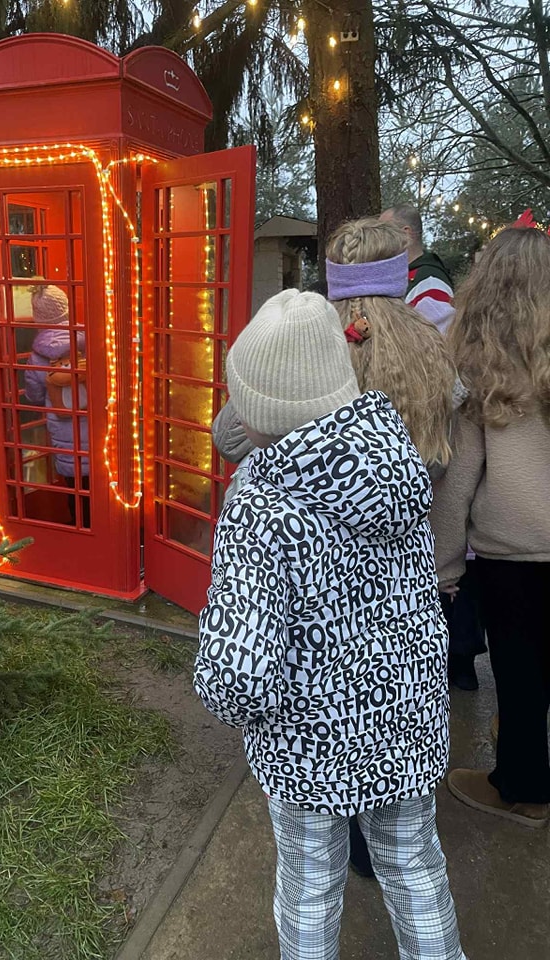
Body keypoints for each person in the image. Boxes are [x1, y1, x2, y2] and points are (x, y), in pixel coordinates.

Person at [195, 288, 466, 960]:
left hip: (307, 745)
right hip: (405, 724)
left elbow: (237, 675)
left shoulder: (260, 507)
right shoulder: (395, 464)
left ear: (259, 411)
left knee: (311, 884)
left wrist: (229, 703)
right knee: (414, 863)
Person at [329, 215, 486, 692]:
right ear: (400, 273)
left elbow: (232, 436)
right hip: (409, 562)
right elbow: (449, 466)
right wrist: (447, 561)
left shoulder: (313, 339)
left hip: (324, 558)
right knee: (397, 688)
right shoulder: (433, 347)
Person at [431, 224, 550, 829]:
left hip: (514, 553)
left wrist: (445, 566)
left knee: (521, 679)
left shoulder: (481, 365)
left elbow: (458, 482)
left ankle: (523, 790)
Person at [23, 284, 90, 527]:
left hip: (63, 430)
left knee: (75, 486)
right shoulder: (89, 342)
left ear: (38, 317)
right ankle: (101, 526)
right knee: (100, 483)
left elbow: (33, 395)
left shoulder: (36, 357)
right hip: (97, 426)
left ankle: (80, 527)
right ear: (66, 310)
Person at [380, 204, 455, 335]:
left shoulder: (430, 284)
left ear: (405, 234)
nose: (378, 241)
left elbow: (435, 341)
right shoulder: (404, 276)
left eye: (384, 232)